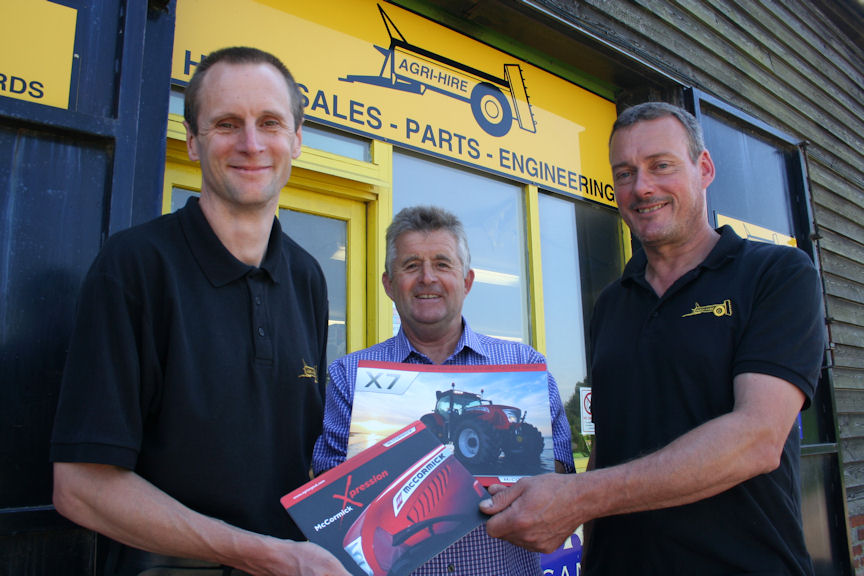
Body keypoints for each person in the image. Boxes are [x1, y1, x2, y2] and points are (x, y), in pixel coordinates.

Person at [480, 102, 825, 575]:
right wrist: (564, 513)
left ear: (704, 169)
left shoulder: (776, 274)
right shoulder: (611, 303)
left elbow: (758, 438)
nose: (641, 187)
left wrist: (577, 498)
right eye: (624, 174)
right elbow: (610, 438)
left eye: (660, 166)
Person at [50, 47, 350, 576]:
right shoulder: (134, 266)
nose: (252, 144)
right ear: (192, 142)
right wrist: (269, 555)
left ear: (297, 140)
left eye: (270, 122)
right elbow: (81, 488)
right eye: (227, 123)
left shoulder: (307, 277)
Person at [313, 205, 575, 575]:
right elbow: (330, 494)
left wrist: (528, 489)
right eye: (410, 265)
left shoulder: (524, 364)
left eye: (442, 263)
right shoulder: (349, 375)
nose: (427, 278)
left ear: (466, 281)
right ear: (389, 284)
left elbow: (560, 472)